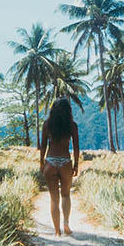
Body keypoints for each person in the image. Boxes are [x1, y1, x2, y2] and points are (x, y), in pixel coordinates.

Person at [39, 97, 80, 236]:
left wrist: (42, 163)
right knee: (66, 195)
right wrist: (76, 165)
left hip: (50, 161)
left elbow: (43, 145)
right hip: (65, 162)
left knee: (54, 198)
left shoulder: (47, 124)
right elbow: (76, 147)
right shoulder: (72, 125)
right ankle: (66, 224)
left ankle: (57, 231)